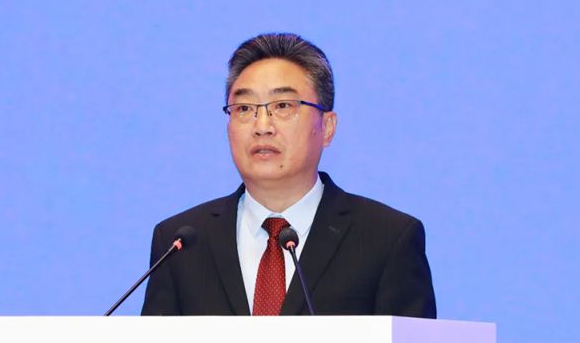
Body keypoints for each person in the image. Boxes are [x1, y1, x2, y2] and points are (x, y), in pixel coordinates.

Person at [141, 33, 436, 317]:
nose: (262, 126)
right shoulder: (180, 245)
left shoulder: (386, 239)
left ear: (327, 127)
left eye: (282, 106)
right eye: (243, 108)